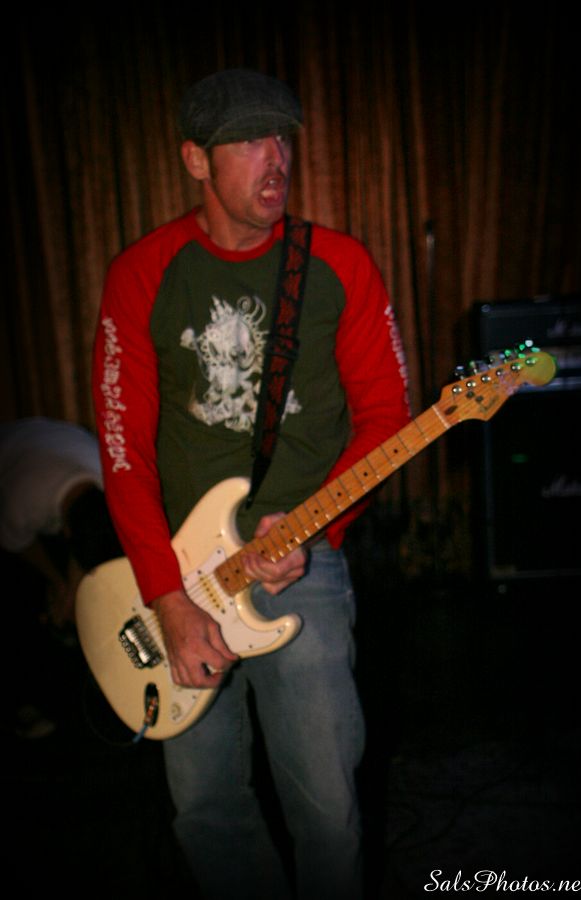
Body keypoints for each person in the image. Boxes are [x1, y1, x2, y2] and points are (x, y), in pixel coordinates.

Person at [92, 68, 411, 900]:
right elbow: (124, 453)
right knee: (206, 808)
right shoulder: (142, 274)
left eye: (282, 138)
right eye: (247, 141)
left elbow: (386, 418)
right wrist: (166, 597)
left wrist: (316, 528)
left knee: (328, 808)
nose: (276, 158)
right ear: (195, 160)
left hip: (304, 563)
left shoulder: (339, 264)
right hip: (180, 577)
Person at [0, 416, 122, 736]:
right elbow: (16, 544)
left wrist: (72, 592)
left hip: (58, 448)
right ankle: (27, 702)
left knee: (74, 597)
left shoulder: (110, 484)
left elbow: (89, 549)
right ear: (66, 531)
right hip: (14, 457)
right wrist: (59, 583)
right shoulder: (24, 501)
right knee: (22, 598)